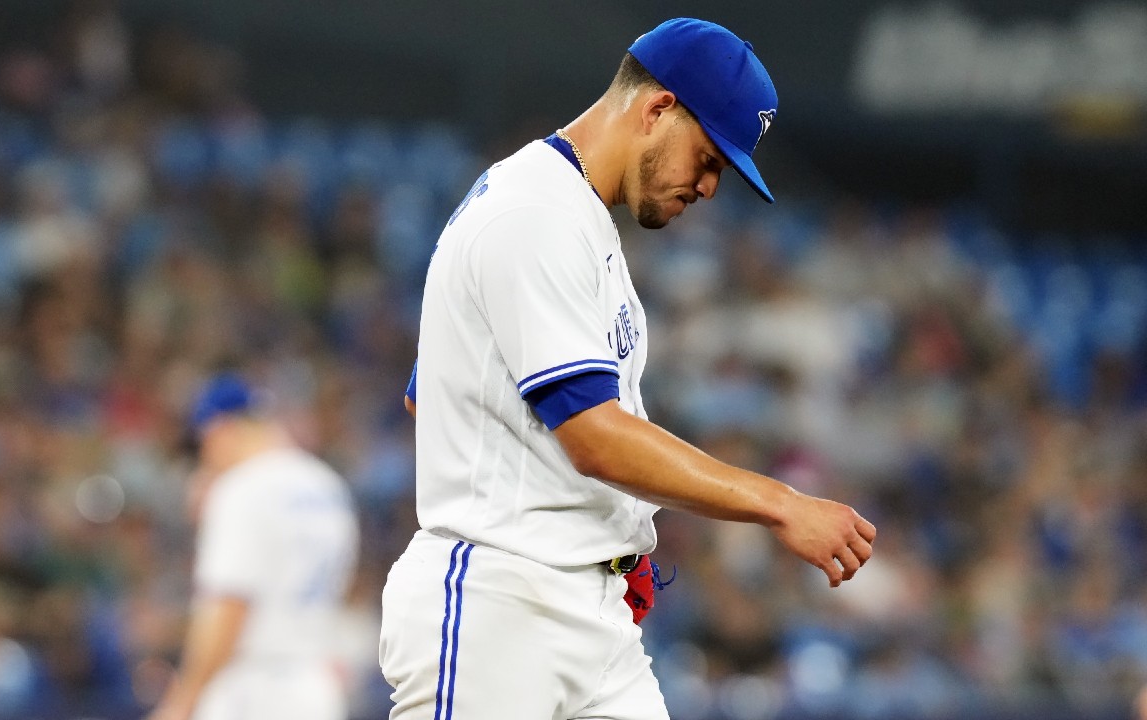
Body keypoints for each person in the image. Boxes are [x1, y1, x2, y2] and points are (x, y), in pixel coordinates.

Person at [380, 17, 876, 720]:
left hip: (585, 611)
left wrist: (595, 536)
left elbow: (429, 395)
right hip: (501, 605)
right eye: (708, 159)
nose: (709, 188)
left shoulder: (571, 215)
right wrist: (781, 503)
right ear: (657, 109)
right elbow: (594, 436)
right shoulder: (536, 212)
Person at [149, 372, 359, 720]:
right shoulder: (327, 486)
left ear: (219, 429)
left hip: (254, 690)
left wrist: (181, 704)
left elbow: (229, 608)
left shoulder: (242, 488)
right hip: (316, 687)